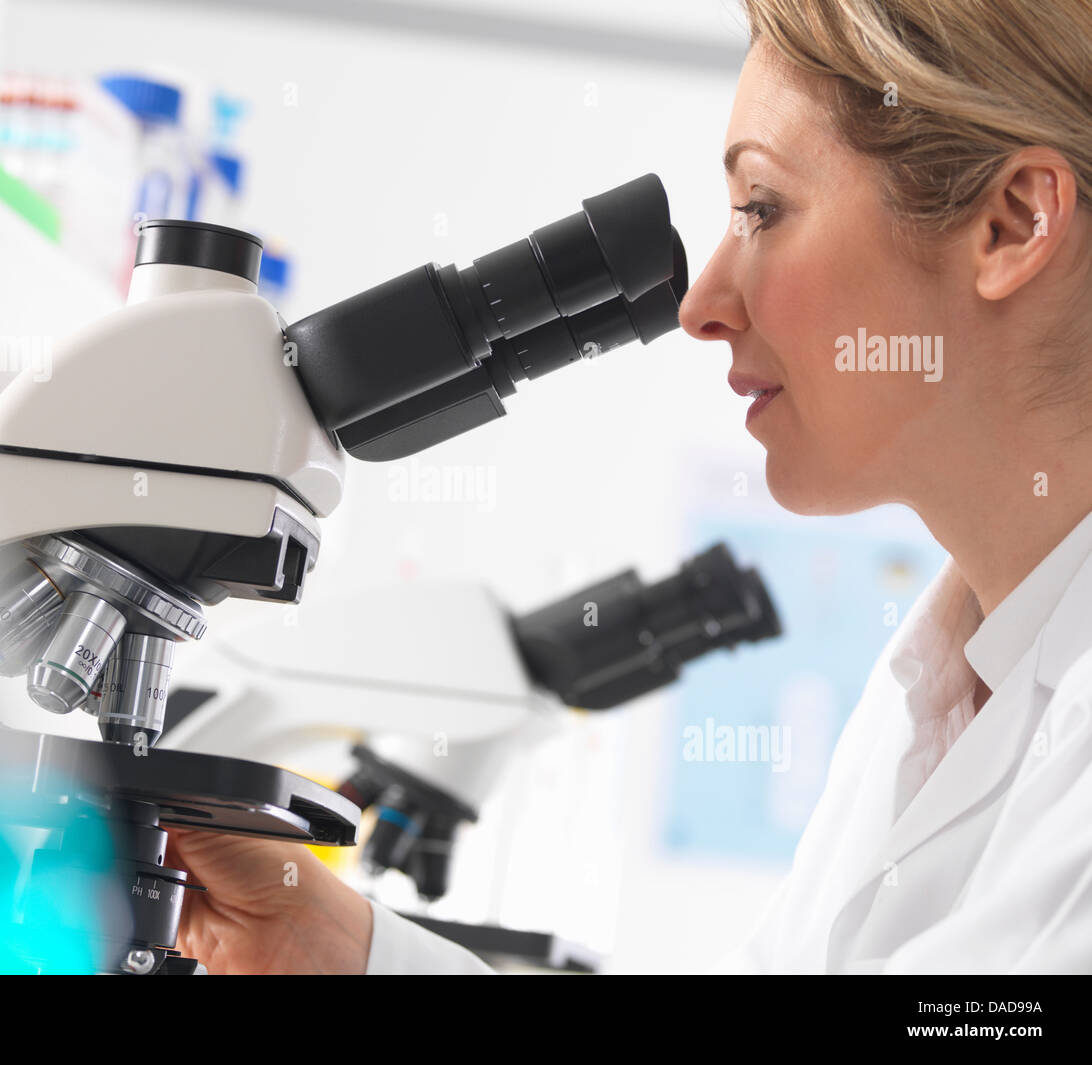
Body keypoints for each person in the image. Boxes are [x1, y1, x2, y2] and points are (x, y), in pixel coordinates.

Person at [163, 0, 1092, 973]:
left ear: (1011, 224)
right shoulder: (933, 686)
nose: (699, 304)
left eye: (764, 208)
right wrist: (333, 949)